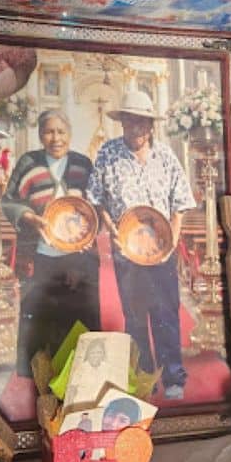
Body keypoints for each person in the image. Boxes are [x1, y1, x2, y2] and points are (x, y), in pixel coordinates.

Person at [87, 91, 195, 400]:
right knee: (134, 316)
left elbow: (181, 200)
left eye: (142, 122)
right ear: (122, 123)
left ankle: (173, 376)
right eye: (130, 121)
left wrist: (174, 236)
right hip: (127, 250)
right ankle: (145, 376)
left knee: (166, 313)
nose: (136, 128)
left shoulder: (166, 156)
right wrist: (112, 230)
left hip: (160, 250)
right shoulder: (108, 153)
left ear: (150, 125)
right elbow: (98, 199)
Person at [1, 109, 100, 376]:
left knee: (79, 316)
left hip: (79, 254)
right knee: (41, 316)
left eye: (61, 131)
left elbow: (97, 206)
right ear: (40, 135)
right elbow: (9, 200)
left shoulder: (82, 164)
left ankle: (82, 374)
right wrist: (30, 217)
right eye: (49, 132)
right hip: (41, 255)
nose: (55, 138)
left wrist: (88, 234)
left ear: (69, 134)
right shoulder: (29, 162)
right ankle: (39, 375)